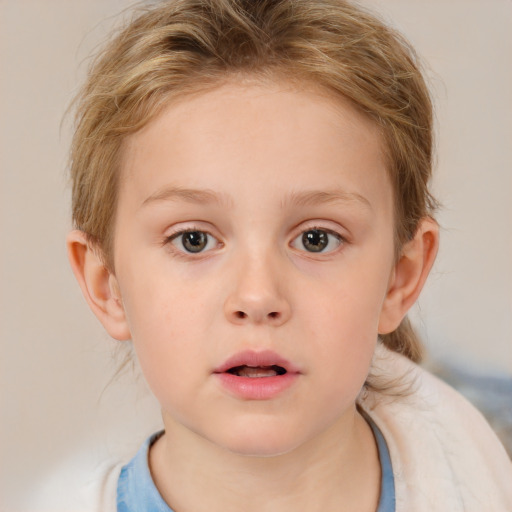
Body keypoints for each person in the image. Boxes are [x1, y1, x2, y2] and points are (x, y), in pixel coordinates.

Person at [65, 0, 512, 510]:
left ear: (400, 278)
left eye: (316, 239)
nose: (258, 297)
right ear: (107, 285)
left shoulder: (484, 478)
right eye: (194, 239)